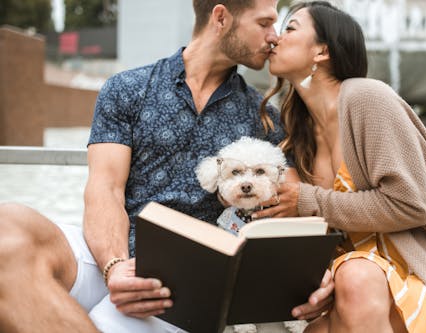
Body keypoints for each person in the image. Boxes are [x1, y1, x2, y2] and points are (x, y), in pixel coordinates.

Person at [0, 1, 335, 332]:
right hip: (110, 255)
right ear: (221, 17)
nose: (273, 36)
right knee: (8, 226)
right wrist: (115, 267)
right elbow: (105, 189)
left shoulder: (264, 118)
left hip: (185, 280)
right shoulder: (127, 89)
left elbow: (288, 218)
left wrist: (309, 275)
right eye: (264, 23)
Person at [252, 1, 426, 332]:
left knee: (356, 276)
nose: (275, 39)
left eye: (290, 29)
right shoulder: (297, 129)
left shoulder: (367, 97)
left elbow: (411, 205)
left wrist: (307, 200)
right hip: (356, 287)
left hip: (422, 274)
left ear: (322, 51)